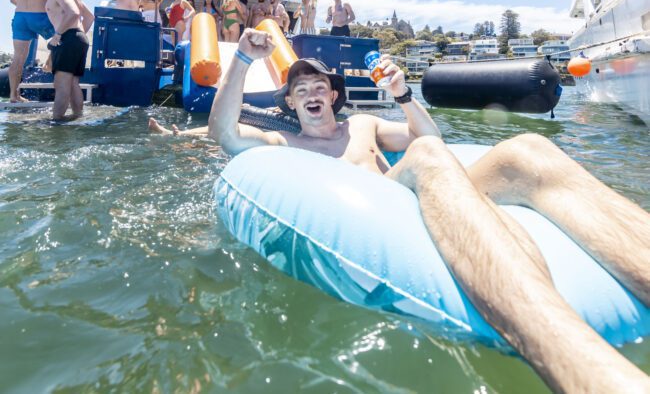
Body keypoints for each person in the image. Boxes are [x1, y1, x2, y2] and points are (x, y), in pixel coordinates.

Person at [186, 29, 649, 392]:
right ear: (290, 102)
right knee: (426, 158)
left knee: (529, 150)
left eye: (320, 86)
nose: (312, 92)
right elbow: (224, 134)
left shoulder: (363, 124)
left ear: (332, 96)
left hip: (414, 196)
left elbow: (429, 137)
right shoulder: (284, 143)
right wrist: (244, 59)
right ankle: (582, 367)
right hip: (377, 216)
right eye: (301, 87)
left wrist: (404, 94)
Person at [42, 0, 94, 121]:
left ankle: (56, 122)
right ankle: (77, 117)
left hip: (68, 37)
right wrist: (77, 35)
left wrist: (58, 35)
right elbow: (90, 17)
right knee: (73, 84)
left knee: (61, 83)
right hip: (79, 37)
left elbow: (73, 12)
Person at [8, 0, 55, 102]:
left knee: (18, 58)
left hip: (20, 17)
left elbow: (12, 0)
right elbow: (52, 0)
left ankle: (13, 95)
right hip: (39, 16)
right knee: (63, 37)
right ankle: (49, 64)